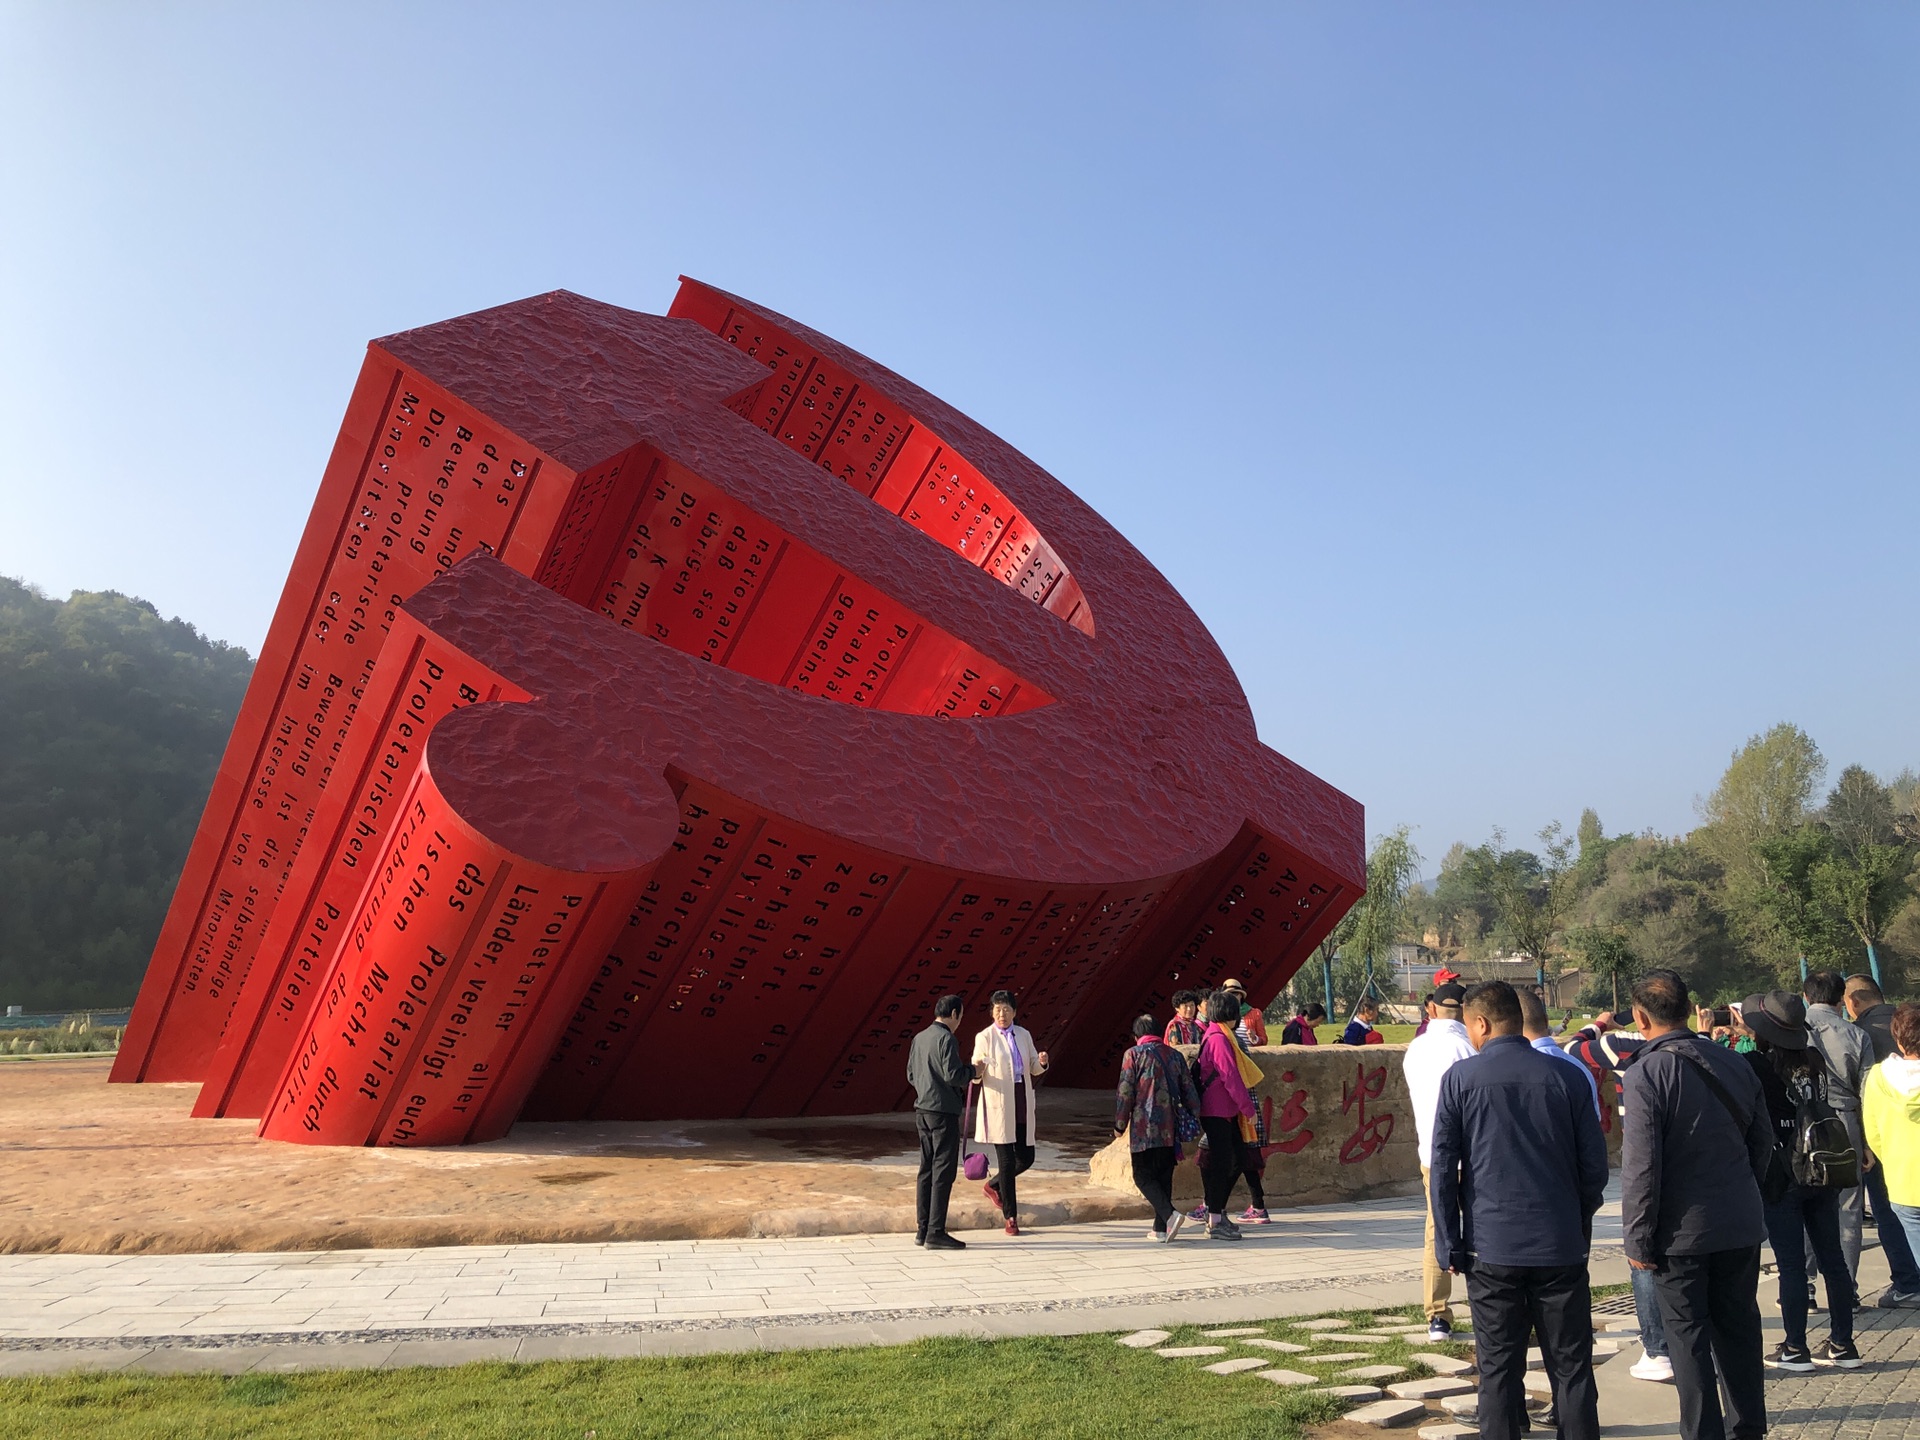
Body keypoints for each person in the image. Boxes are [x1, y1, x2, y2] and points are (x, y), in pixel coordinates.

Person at [1430, 981, 1607, 1440]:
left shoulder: (1461, 1080)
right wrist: (1578, 1220)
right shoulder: (1567, 1076)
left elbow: (1444, 1168)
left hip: (1491, 1249)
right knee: (1572, 1369)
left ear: (1482, 1023)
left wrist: (1450, 1241)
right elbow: (1594, 1167)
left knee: (1498, 1370)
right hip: (1560, 1245)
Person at [1620, 969, 1772, 1440]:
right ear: (1689, 1010)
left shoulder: (1647, 1071)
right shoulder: (1733, 1062)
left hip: (1679, 1232)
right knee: (1740, 1330)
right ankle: (1748, 1427)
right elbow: (1763, 1142)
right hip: (1738, 1220)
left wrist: (1638, 1236)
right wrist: (1744, 1192)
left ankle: (1703, 1432)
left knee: (1688, 1338)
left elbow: (1642, 1165)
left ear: (1641, 1018)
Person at [1737, 990, 1858, 1370]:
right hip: (1822, 1166)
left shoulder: (1754, 1065)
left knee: (1791, 1265)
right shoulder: (1814, 1059)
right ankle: (1842, 1345)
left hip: (1781, 1173)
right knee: (1833, 1260)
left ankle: (1794, 1348)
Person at [1403, 980, 1476, 1342]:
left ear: (1432, 1009)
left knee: (1438, 1228)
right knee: (1480, 1226)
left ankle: (1437, 1314)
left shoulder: (1415, 1048)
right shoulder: (1468, 1048)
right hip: (1470, 1153)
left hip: (1431, 1152)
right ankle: (1488, 1304)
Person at [1851, 980, 1920, 1305]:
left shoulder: (1877, 1073)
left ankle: (1907, 1284)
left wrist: (1880, 1153)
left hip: (1899, 1175)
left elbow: (1873, 1127)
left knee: (1898, 1227)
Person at [1114, 1012, 1204, 1242]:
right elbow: (1189, 1090)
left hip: (1143, 1127)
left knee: (1142, 1176)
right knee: (1163, 1175)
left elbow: (1126, 1092)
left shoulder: (1132, 1055)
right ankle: (1160, 1229)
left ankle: (1170, 1215)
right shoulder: (1174, 1055)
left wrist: (1120, 1124)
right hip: (1170, 1126)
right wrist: (1196, 1116)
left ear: (1137, 1035)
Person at [1803, 969, 1869, 1279]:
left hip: (1804, 1120)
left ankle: (1808, 1283)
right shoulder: (1857, 1035)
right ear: (1841, 998)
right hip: (1845, 1120)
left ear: (1806, 996)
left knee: (1803, 1199)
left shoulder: (1794, 1030)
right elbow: (1866, 1092)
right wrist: (1867, 1142)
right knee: (1849, 1205)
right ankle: (1847, 1286)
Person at [971, 990, 1049, 1237]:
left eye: (1005, 1009)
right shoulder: (984, 1037)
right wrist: (978, 1068)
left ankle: (993, 1185)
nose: (1001, 1014)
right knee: (1005, 1161)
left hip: (1020, 1099)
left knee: (1026, 1157)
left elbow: (1034, 1068)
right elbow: (975, 1074)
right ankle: (1011, 1217)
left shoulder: (1023, 1035)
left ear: (1014, 1012)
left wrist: (1043, 1062)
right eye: (996, 1009)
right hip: (998, 1102)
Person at [907, 994, 973, 1250]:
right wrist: (973, 1071)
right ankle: (936, 1231)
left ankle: (922, 1229)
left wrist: (926, 1088)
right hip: (943, 1112)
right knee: (943, 1172)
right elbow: (953, 1074)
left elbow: (911, 1074)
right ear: (954, 1014)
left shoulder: (919, 1037)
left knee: (926, 1169)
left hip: (922, 1110)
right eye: (960, 1017)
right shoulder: (947, 1038)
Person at [1194, 989, 1260, 1241]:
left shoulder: (1216, 1035)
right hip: (1218, 1110)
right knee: (1224, 1164)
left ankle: (1217, 1212)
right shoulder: (1220, 1039)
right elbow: (1230, 1077)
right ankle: (1214, 1219)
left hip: (1221, 1110)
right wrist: (1248, 1108)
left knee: (1238, 1160)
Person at [1862, 1003, 1920, 1276]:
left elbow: (1873, 1134)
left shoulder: (1877, 1076)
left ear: (1897, 1038)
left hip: (1902, 1184)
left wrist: (1894, 1161)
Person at [1521, 988, 1600, 1118]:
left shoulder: (1503, 1073)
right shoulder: (1579, 1069)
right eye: (1538, 994)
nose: (1541, 996)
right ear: (1546, 1021)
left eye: (1542, 993)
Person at [1220, 977, 1269, 1047]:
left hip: (1248, 1054)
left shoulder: (1255, 1013)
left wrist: (1255, 1038)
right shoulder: (1220, 1014)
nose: (1232, 997)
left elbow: (1264, 1040)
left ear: (1241, 995)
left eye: (1235, 993)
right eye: (1228, 994)